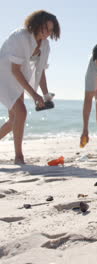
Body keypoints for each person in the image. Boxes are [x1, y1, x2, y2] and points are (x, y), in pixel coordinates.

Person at [0, 10, 60, 164]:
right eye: (44, 27)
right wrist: (34, 95)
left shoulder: (45, 45)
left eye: (51, 30)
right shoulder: (20, 36)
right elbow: (14, 70)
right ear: (36, 23)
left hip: (18, 79)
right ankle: (19, 157)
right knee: (21, 112)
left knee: (14, 119)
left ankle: (18, 156)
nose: (47, 32)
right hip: (4, 77)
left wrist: (45, 95)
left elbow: (41, 72)